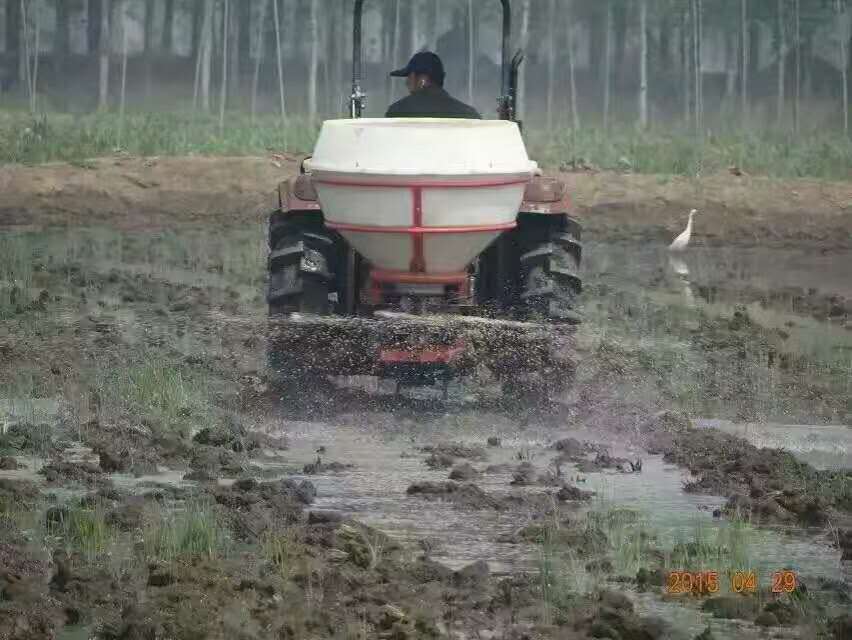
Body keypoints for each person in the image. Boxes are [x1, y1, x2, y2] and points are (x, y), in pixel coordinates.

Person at [386, 51, 481, 119]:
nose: (406, 83)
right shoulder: (469, 115)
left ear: (423, 80)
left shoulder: (398, 112)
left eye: (410, 77)